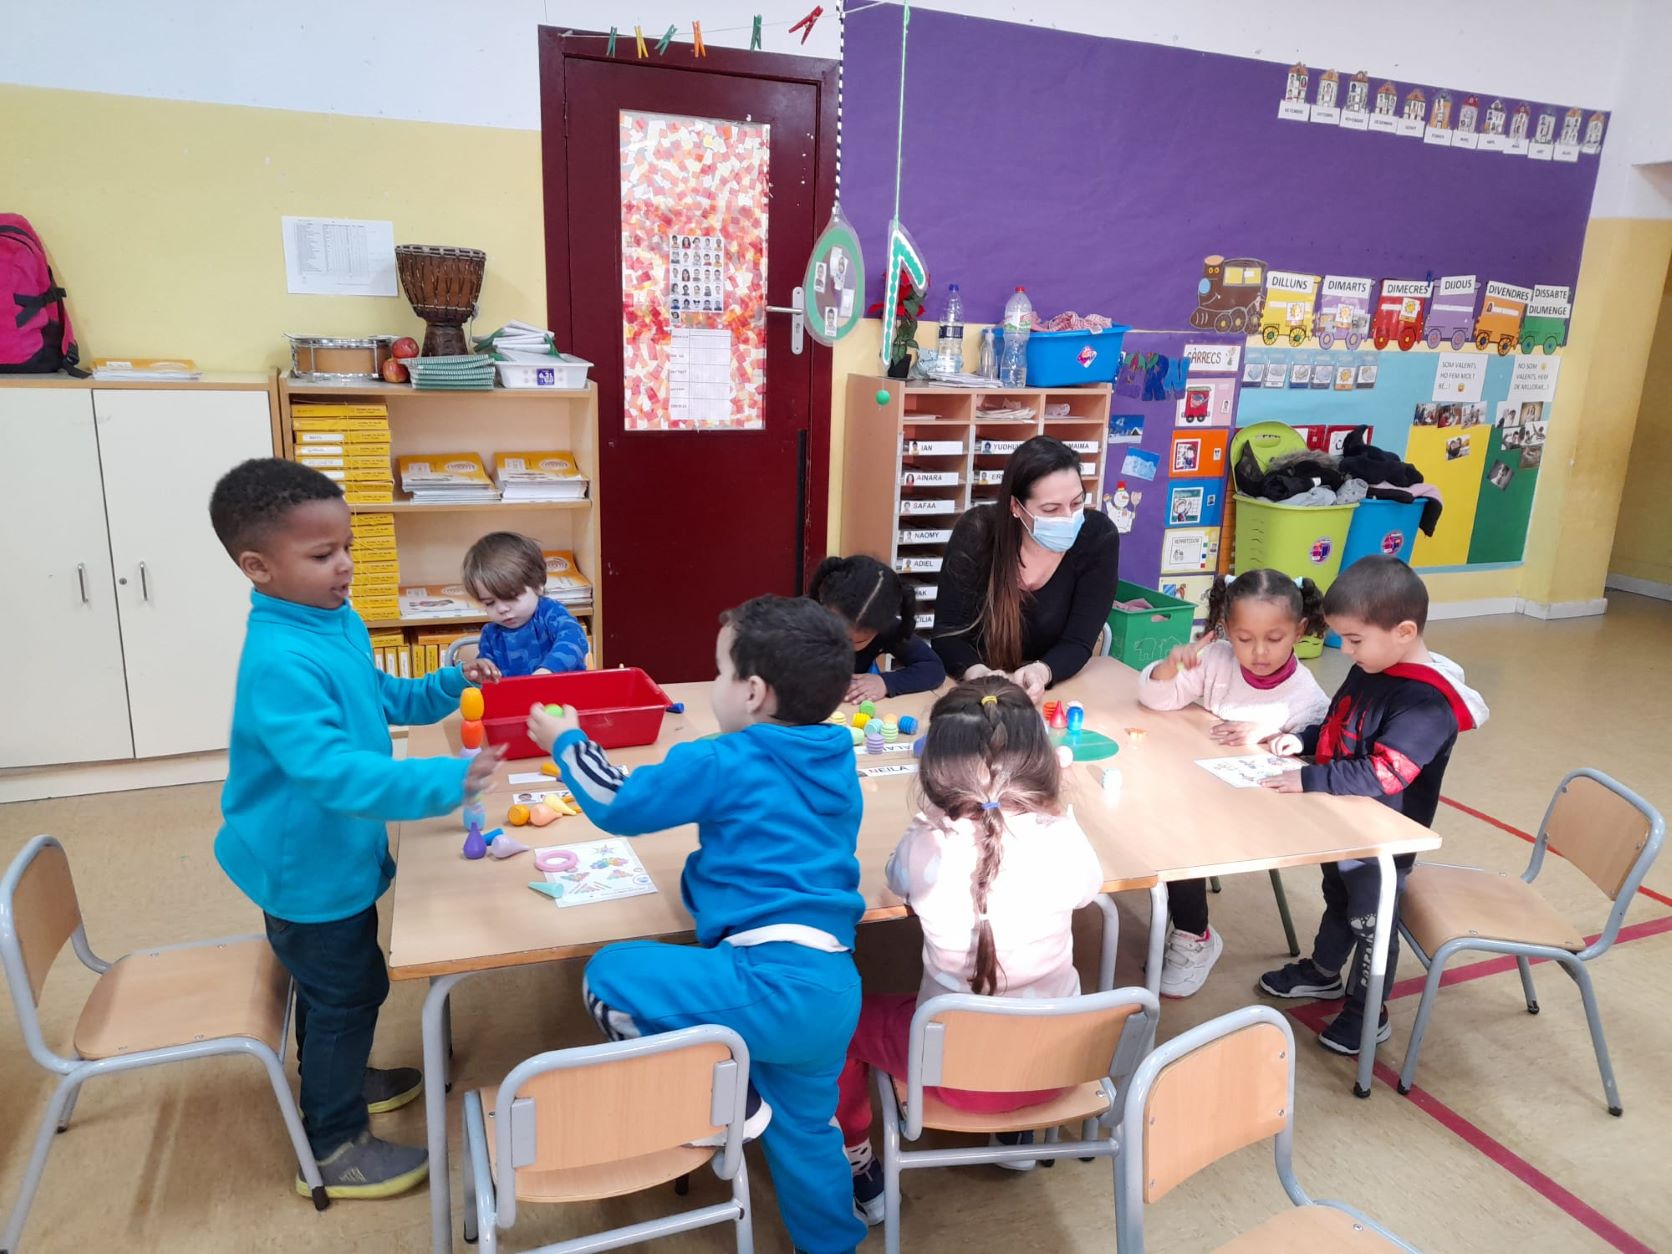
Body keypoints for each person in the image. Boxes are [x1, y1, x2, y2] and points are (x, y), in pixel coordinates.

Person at [526, 596, 867, 1254]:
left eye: (718, 672)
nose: (713, 685)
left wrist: (566, 741)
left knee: (609, 975)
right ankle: (833, 1244)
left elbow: (618, 803)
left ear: (754, 692)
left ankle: (726, 1100)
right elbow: (778, 845)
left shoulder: (720, 758)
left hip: (768, 979)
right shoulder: (835, 755)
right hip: (832, 985)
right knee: (806, 1134)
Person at [207, 459, 504, 1199]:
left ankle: (335, 1075)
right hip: (306, 868)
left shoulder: (332, 618)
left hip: (335, 851)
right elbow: (331, 772)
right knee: (345, 991)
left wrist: (449, 680)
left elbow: (378, 697)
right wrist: (442, 781)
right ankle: (333, 1141)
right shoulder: (280, 659)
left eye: (347, 547)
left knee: (339, 988)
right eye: (322, 554)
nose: (344, 565)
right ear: (258, 567)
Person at [836, 677, 1104, 1222]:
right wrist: (1057, 809)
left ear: (933, 774)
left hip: (954, 1075)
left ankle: (856, 1162)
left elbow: (895, 883)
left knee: (836, 1021)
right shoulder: (1065, 841)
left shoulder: (925, 847)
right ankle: (1017, 1137)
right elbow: (1086, 890)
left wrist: (926, 821)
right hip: (1058, 1067)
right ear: (1043, 765)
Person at [1256, 557, 1489, 1053]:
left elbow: (1386, 773)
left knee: (1371, 922)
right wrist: (1305, 740)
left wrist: (1309, 777)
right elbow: (1342, 726)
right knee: (1338, 896)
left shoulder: (1428, 702)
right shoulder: (1372, 665)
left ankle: (1369, 1011)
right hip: (1343, 819)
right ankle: (1324, 971)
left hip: (1383, 837)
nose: (1345, 649)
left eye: (1354, 639)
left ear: (1404, 632)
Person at [1136, 569, 1330, 997]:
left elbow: (1322, 744)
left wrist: (1270, 733)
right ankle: (1178, 915)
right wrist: (1170, 667)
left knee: (1178, 832)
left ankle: (1194, 935)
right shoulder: (1218, 660)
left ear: (1299, 631)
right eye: (1244, 638)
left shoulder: (1304, 694)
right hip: (1205, 790)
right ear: (1226, 629)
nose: (1258, 652)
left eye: (1274, 639)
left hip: (1260, 810)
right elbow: (1155, 700)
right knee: (1158, 810)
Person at [933, 435, 1119, 701]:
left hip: (1054, 689)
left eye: (1077, 503)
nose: (1068, 518)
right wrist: (979, 674)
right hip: (979, 692)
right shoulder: (977, 534)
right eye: (1051, 509)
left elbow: (1078, 641)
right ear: (1016, 507)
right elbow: (947, 635)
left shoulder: (1097, 538)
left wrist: (1042, 672)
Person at [810, 554, 947, 702]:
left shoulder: (887, 630)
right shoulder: (800, 616)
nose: (838, 644)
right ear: (823, 603)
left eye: (854, 642)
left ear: (879, 631)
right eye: (832, 630)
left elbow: (933, 668)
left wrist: (886, 682)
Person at [461, 532, 589, 677]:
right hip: (519, 692)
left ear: (537, 586)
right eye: (489, 603)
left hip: (565, 690)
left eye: (511, 597)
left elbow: (575, 640)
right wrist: (481, 672)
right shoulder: (491, 635)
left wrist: (547, 671)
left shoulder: (550, 612)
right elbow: (490, 677)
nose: (502, 609)